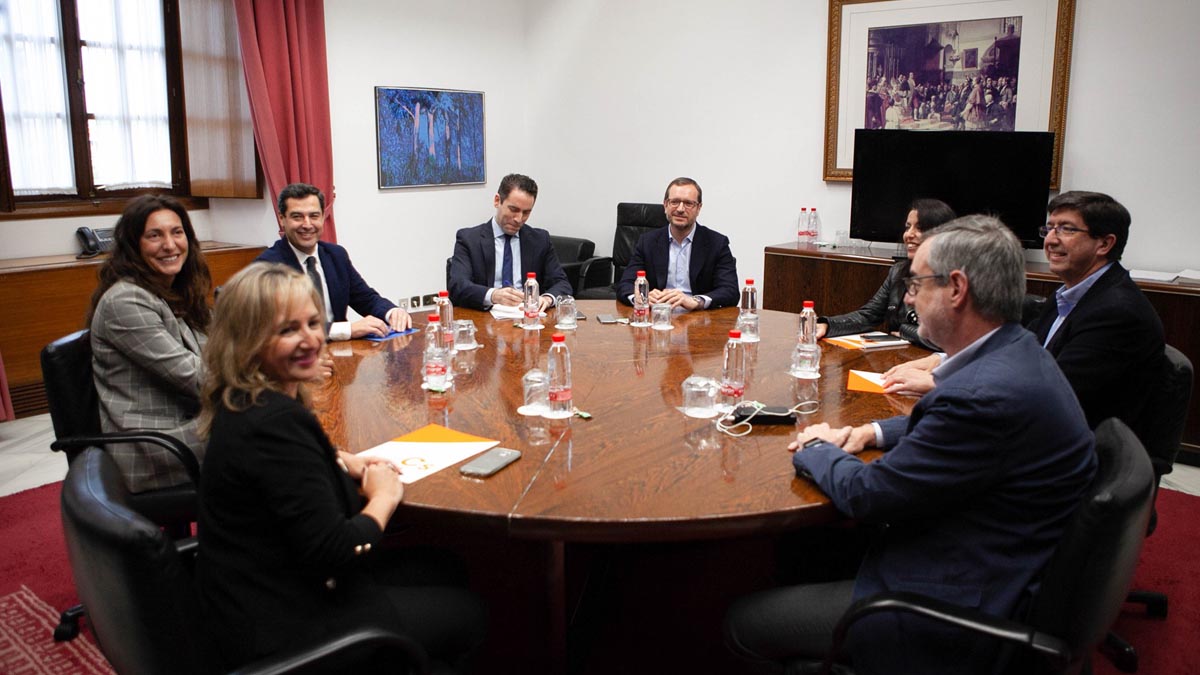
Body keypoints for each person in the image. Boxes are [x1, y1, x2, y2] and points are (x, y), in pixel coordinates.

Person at [723, 216, 1096, 674]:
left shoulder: (981, 396)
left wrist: (816, 447)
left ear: (956, 289)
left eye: (917, 283)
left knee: (742, 623)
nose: (906, 297)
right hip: (992, 549)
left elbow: (868, 495)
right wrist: (868, 432)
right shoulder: (1016, 350)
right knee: (804, 551)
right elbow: (956, 422)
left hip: (950, 601)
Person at [195, 263, 485, 671]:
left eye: (313, 322)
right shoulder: (273, 423)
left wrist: (338, 459)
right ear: (246, 342)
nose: (310, 339)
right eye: (286, 330)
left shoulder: (245, 399)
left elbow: (277, 473)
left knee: (446, 564)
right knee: (469, 613)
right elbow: (339, 551)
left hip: (258, 588)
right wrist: (384, 497)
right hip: (286, 621)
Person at [881, 192, 1166, 442]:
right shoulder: (1068, 294)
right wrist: (941, 360)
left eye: (1066, 229)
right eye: (1050, 228)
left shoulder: (1117, 311)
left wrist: (939, 383)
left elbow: (1053, 391)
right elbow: (1016, 356)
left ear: (1104, 244)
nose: (1051, 240)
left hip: (1060, 455)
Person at [88, 195, 211, 493]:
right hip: (156, 447)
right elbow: (198, 378)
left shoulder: (178, 291)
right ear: (134, 245)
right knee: (276, 437)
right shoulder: (126, 301)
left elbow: (229, 346)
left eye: (177, 232)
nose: (169, 245)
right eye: (154, 235)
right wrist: (279, 374)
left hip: (188, 426)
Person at [256, 183, 411, 340]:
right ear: (282, 219)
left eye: (314, 216)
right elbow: (278, 326)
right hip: (295, 358)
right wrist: (347, 329)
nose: (307, 224)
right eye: (297, 217)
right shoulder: (267, 266)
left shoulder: (336, 255)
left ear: (323, 217)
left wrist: (392, 312)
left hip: (341, 354)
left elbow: (366, 299)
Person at [816, 198, 955, 349]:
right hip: (898, 358)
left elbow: (947, 339)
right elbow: (868, 316)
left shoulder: (953, 278)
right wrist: (827, 325)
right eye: (907, 227)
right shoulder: (898, 272)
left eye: (920, 228)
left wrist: (904, 330)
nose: (909, 234)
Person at [448, 173, 573, 311]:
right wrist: (494, 295)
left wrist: (547, 298)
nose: (519, 219)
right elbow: (457, 286)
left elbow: (562, 283)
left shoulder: (539, 240)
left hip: (528, 318)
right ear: (497, 201)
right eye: (514, 210)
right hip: (485, 317)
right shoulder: (469, 239)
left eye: (526, 213)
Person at [616, 177, 739, 310]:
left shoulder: (717, 243)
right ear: (665, 205)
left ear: (698, 208)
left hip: (697, 319)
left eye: (688, 203)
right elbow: (625, 284)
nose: (680, 209)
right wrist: (640, 297)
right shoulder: (647, 241)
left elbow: (730, 291)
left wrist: (696, 301)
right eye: (674, 202)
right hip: (657, 316)